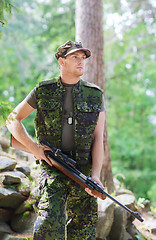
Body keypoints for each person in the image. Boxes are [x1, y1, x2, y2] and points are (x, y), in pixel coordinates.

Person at [6, 40, 105, 240]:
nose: (81, 62)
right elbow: (12, 119)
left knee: (84, 229)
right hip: (52, 167)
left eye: (83, 57)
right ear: (61, 61)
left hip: (83, 170)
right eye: (75, 57)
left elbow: (98, 138)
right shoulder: (43, 91)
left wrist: (95, 175)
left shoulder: (94, 95)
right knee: (49, 221)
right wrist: (34, 148)